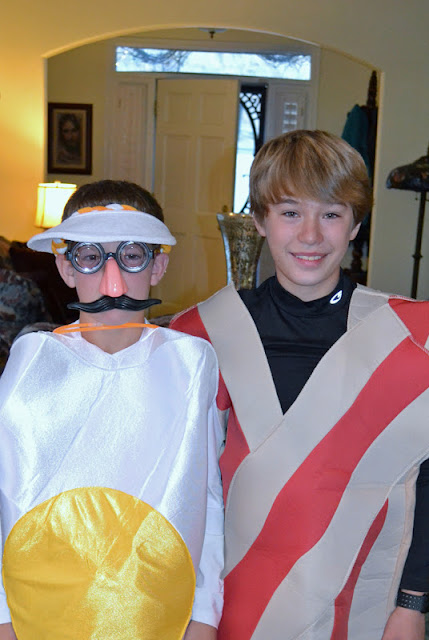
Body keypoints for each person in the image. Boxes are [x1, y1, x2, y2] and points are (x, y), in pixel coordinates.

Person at [171, 131, 429, 640]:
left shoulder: (412, 338)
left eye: (331, 214)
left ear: (356, 225)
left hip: (366, 605)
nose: (310, 235)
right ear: (259, 221)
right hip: (232, 602)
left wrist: (413, 603)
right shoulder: (202, 334)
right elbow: (182, 488)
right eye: (290, 212)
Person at [0, 180, 224, 640]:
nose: (112, 282)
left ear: (158, 264)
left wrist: (204, 614)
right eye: (90, 257)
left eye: (131, 255)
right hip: (44, 615)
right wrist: (5, 616)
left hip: (154, 613)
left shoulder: (189, 363)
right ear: (66, 267)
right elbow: (7, 494)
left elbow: (206, 495)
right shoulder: (33, 363)